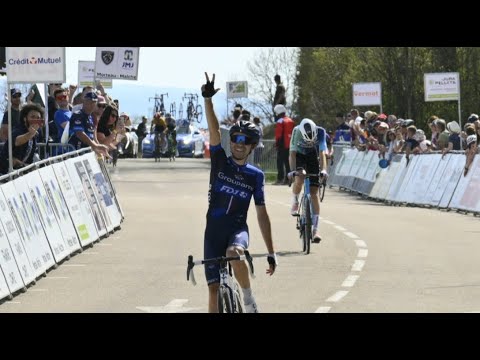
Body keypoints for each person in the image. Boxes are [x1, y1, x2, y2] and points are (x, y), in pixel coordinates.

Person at [201, 72, 277, 313]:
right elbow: (214, 132)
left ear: (252, 146)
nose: (238, 144)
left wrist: (271, 252)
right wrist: (208, 100)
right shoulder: (220, 161)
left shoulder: (256, 175)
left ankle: (247, 298)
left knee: (234, 252)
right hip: (212, 232)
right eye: (235, 140)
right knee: (213, 290)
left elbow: (262, 215)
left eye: (244, 141)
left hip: (236, 230)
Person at [287, 118, 328, 243]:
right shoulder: (296, 131)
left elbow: (322, 153)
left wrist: (324, 170)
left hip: (312, 155)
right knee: (300, 176)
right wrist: (293, 171)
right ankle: (295, 200)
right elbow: (292, 154)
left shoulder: (320, 132)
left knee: (314, 193)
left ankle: (316, 229)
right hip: (299, 155)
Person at [0, 103, 44, 174]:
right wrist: (30, 134)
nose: (36, 120)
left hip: (19, 172)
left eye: (38, 118)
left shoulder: (35, 134)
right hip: (4, 172)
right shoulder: (18, 129)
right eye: (33, 117)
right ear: (24, 118)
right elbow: (17, 141)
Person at [274, 104, 294, 185]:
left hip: (282, 145)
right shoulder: (290, 120)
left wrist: (277, 144)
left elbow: (279, 134)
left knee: (280, 162)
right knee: (288, 163)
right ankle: (288, 179)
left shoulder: (280, 121)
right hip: (290, 145)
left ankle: (280, 179)